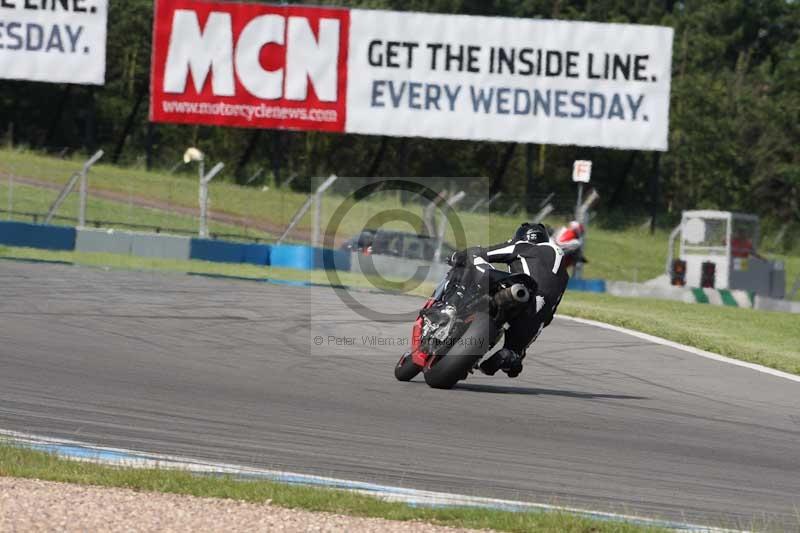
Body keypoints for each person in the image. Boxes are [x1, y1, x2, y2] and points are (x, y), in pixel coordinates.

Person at [448, 223, 569, 378]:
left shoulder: (522, 246)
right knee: (513, 356)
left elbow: (484, 253)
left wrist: (457, 256)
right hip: (539, 317)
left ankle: (454, 305)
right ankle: (505, 356)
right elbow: (551, 311)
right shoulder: (563, 273)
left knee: (473, 259)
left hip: (520, 292)